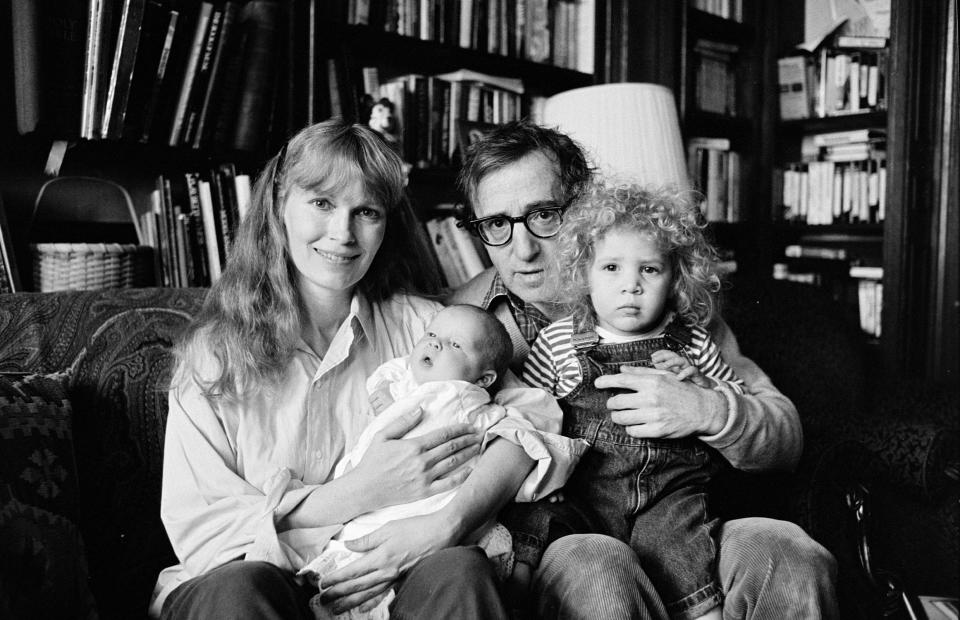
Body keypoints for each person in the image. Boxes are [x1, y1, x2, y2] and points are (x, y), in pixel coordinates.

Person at [150, 119, 581, 620]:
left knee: (459, 569)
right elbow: (204, 532)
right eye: (322, 203)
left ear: (385, 227)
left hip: (389, 580)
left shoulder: (426, 327)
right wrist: (359, 492)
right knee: (239, 589)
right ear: (278, 209)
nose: (342, 233)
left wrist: (447, 522)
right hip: (254, 583)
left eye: (366, 212)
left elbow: (532, 422)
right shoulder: (214, 357)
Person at [450, 119, 840, 619]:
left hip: (684, 521)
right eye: (497, 224)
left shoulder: (663, 304)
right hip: (570, 536)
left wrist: (709, 408)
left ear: (583, 209)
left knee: (787, 551)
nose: (522, 249)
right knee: (595, 563)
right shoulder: (458, 322)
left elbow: (784, 435)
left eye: (544, 215)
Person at [522, 182, 745, 620]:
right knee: (535, 526)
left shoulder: (693, 342)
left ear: (676, 277)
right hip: (585, 490)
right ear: (583, 272)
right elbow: (528, 413)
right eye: (611, 268)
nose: (631, 287)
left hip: (670, 495)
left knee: (684, 551)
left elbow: (732, 397)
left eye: (649, 270)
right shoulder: (560, 341)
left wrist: (701, 387)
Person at [298, 304, 586, 619]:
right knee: (352, 559)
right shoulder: (407, 387)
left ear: (484, 379)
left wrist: (540, 482)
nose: (435, 343)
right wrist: (389, 397)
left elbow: (528, 431)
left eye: (455, 344)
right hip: (363, 505)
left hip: (428, 526)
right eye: (432, 334)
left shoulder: (471, 404)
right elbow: (395, 372)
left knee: (377, 573)